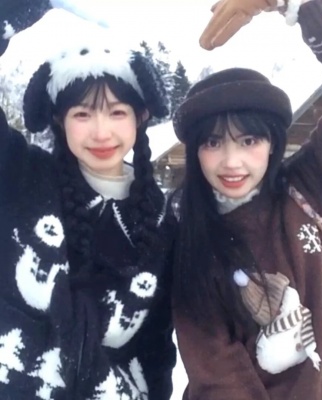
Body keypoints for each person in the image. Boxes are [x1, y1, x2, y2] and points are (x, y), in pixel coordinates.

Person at [171, 0, 322, 399]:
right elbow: (220, 378)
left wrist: (303, 6)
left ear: (273, 143)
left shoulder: (317, 188)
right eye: (213, 142)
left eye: (249, 140)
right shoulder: (191, 240)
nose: (231, 161)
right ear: (195, 151)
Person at [0, 2, 175, 399]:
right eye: (82, 114)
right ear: (59, 120)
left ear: (140, 118)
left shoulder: (161, 223)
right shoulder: (20, 175)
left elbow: (155, 348)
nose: (101, 132)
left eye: (117, 112)